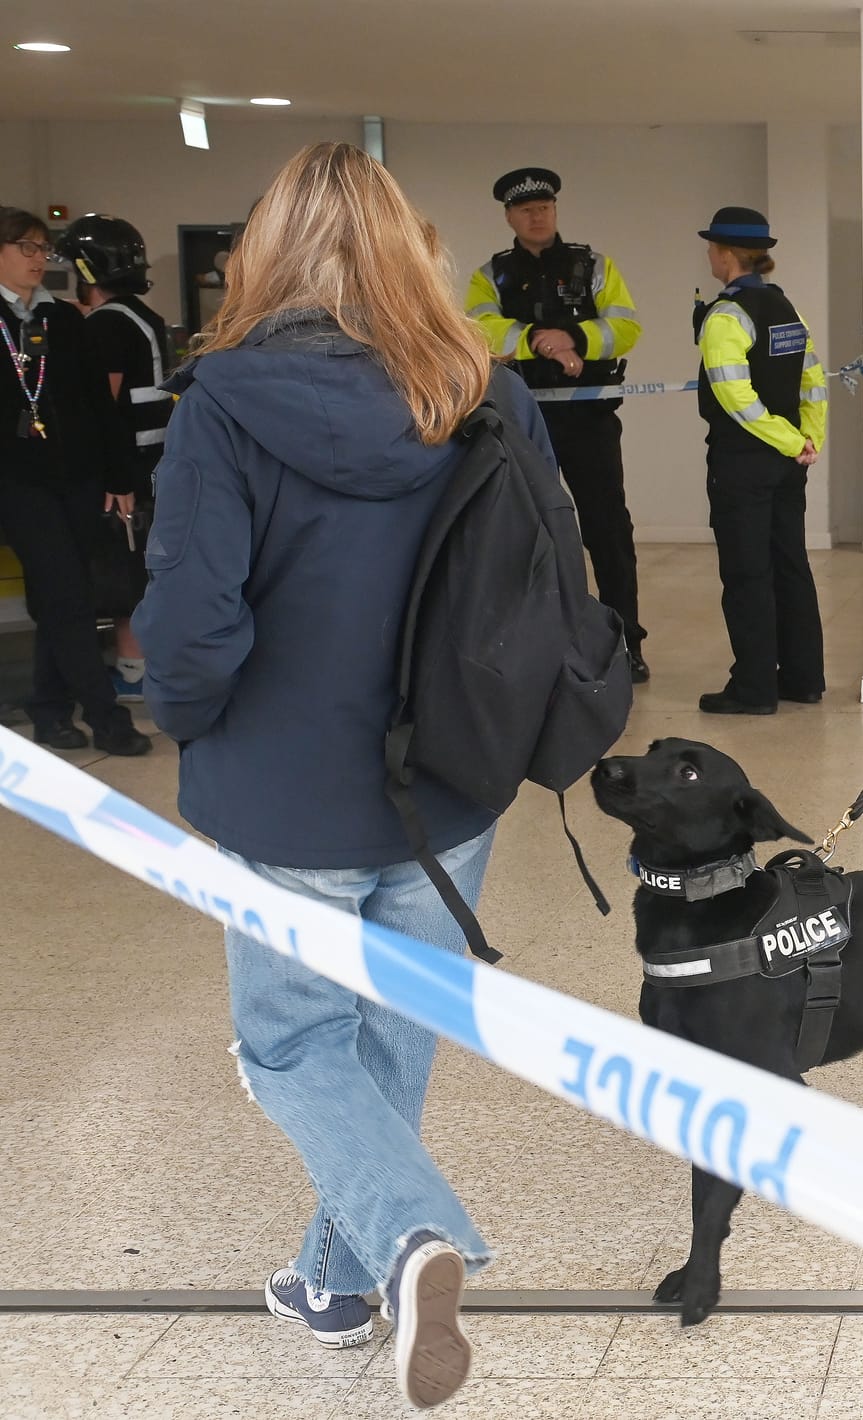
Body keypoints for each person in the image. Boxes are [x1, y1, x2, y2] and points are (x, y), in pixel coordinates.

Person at [132, 141, 559, 1409]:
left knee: (288, 1045)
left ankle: (413, 1234)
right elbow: (545, 582)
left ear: (264, 254)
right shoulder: (488, 391)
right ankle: (336, 1279)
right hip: (450, 781)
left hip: (285, 786)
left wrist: (188, 724)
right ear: (412, 250)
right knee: (387, 1036)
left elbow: (193, 623)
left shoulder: (220, 404)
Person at [466, 168, 650, 682]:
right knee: (526, 534)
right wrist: (537, 341)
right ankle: (533, 647)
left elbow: (626, 326)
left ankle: (626, 644)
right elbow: (480, 331)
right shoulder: (491, 275)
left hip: (589, 419)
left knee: (608, 532)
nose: (537, 216)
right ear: (509, 217)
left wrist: (574, 338)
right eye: (526, 210)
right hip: (522, 420)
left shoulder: (594, 267)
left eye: (544, 207)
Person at [0, 206, 150, 756]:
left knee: (64, 596)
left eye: (43, 248)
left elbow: (100, 406)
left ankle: (49, 710)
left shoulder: (63, 319)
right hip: (19, 483)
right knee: (65, 595)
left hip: (79, 478)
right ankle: (106, 717)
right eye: (26, 247)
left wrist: (119, 476)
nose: (39, 258)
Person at [693, 207, 828, 715]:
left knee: (747, 573)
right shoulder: (786, 307)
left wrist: (788, 441)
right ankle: (803, 679)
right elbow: (813, 380)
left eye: (712, 248)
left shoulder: (725, 316)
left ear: (727, 254)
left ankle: (753, 689)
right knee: (791, 565)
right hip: (790, 463)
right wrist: (807, 439)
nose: (710, 256)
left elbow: (735, 396)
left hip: (744, 461)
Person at [58, 213, 172, 702]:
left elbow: (102, 407)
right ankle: (141, 665)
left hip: (125, 472)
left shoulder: (106, 324)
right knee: (140, 570)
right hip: (151, 465)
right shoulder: (144, 317)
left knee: (122, 575)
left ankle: (132, 670)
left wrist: (111, 476)